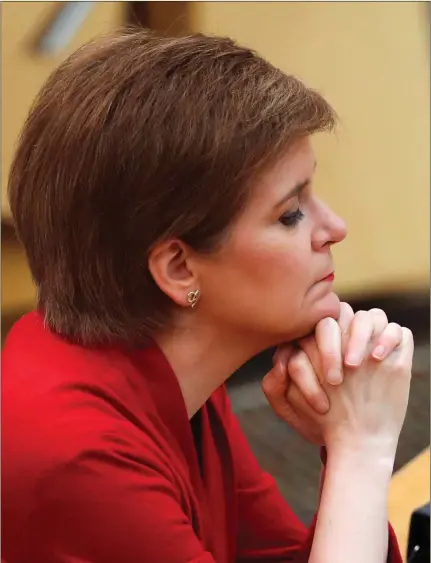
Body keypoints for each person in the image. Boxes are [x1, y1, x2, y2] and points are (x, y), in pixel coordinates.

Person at [2, 29, 413, 563]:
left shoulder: (170, 370)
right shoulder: (78, 458)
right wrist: (362, 449)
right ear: (178, 267)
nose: (335, 227)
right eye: (290, 214)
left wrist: (346, 447)